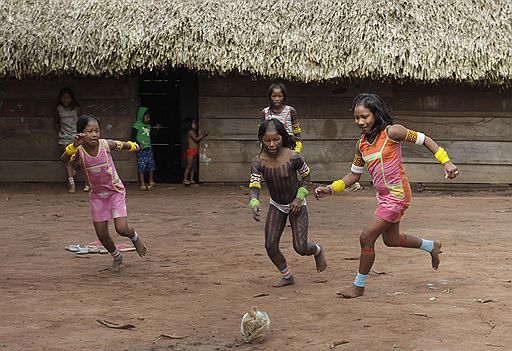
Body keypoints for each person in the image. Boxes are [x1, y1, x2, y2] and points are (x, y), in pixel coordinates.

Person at [315, 93, 459, 298]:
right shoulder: (361, 144)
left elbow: (425, 139)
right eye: (357, 118)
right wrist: (331, 188)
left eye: (365, 116)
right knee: (391, 240)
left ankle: (358, 286)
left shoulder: (393, 132)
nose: (360, 122)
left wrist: (446, 162)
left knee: (366, 238)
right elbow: (354, 175)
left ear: (376, 113)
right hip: (383, 197)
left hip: (398, 196)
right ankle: (431, 246)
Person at [61, 116, 148, 272]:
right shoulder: (78, 151)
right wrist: (73, 146)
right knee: (102, 234)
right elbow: (64, 160)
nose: (94, 134)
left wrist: (136, 146)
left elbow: (122, 145)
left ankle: (134, 236)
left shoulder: (105, 145)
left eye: (97, 131)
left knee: (121, 229)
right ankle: (117, 257)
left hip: (115, 192)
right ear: (81, 133)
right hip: (97, 196)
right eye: (90, 131)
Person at [248, 119, 327, 287]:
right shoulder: (257, 162)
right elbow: (254, 185)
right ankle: (287, 275)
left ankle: (317, 250)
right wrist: (253, 202)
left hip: (296, 203)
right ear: (260, 139)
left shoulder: (294, 157)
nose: (271, 144)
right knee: (270, 245)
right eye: (267, 140)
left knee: (301, 247)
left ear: (282, 137)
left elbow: (307, 177)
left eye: (276, 139)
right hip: (276, 204)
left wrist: (299, 198)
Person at [54, 87, 83, 193]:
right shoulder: (59, 109)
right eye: (63, 98)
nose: (65, 100)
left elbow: (81, 122)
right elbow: (56, 122)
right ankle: (72, 185)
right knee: (68, 162)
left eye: (67, 98)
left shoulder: (77, 109)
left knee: (80, 161)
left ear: (72, 98)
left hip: (76, 139)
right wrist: (60, 133)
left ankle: (73, 175)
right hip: (64, 139)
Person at [261, 82, 302, 153]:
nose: (277, 99)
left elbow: (297, 132)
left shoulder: (290, 111)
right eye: (274, 96)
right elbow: (261, 133)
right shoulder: (265, 112)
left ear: (284, 97)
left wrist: (297, 149)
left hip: (289, 147)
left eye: (280, 96)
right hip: (271, 148)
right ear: (270, 97)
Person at [130, 107, 160, 190]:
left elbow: (152, 135)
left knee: (151, 165)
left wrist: (156, 130)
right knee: (142, 166)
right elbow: (132, 138)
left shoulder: (148, 126)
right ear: (141, 116)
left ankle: (151, 181)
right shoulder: (136, 126)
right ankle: (142, 183)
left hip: (149, 148)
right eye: (146, 117)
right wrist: (139, 145)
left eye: (149, 118)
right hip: (141, 149)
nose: (148, 119)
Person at [182, 118, 208, 185]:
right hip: (191, 151)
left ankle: (191, 179)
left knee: (193, 166)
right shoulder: (190, 131)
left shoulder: (193, 131)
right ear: (189, 124)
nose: (195, 124)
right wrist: (203, 135)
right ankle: (185, 179)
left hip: (195, 151)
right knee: (189, 166)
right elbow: (196, 139)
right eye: (194, 123)